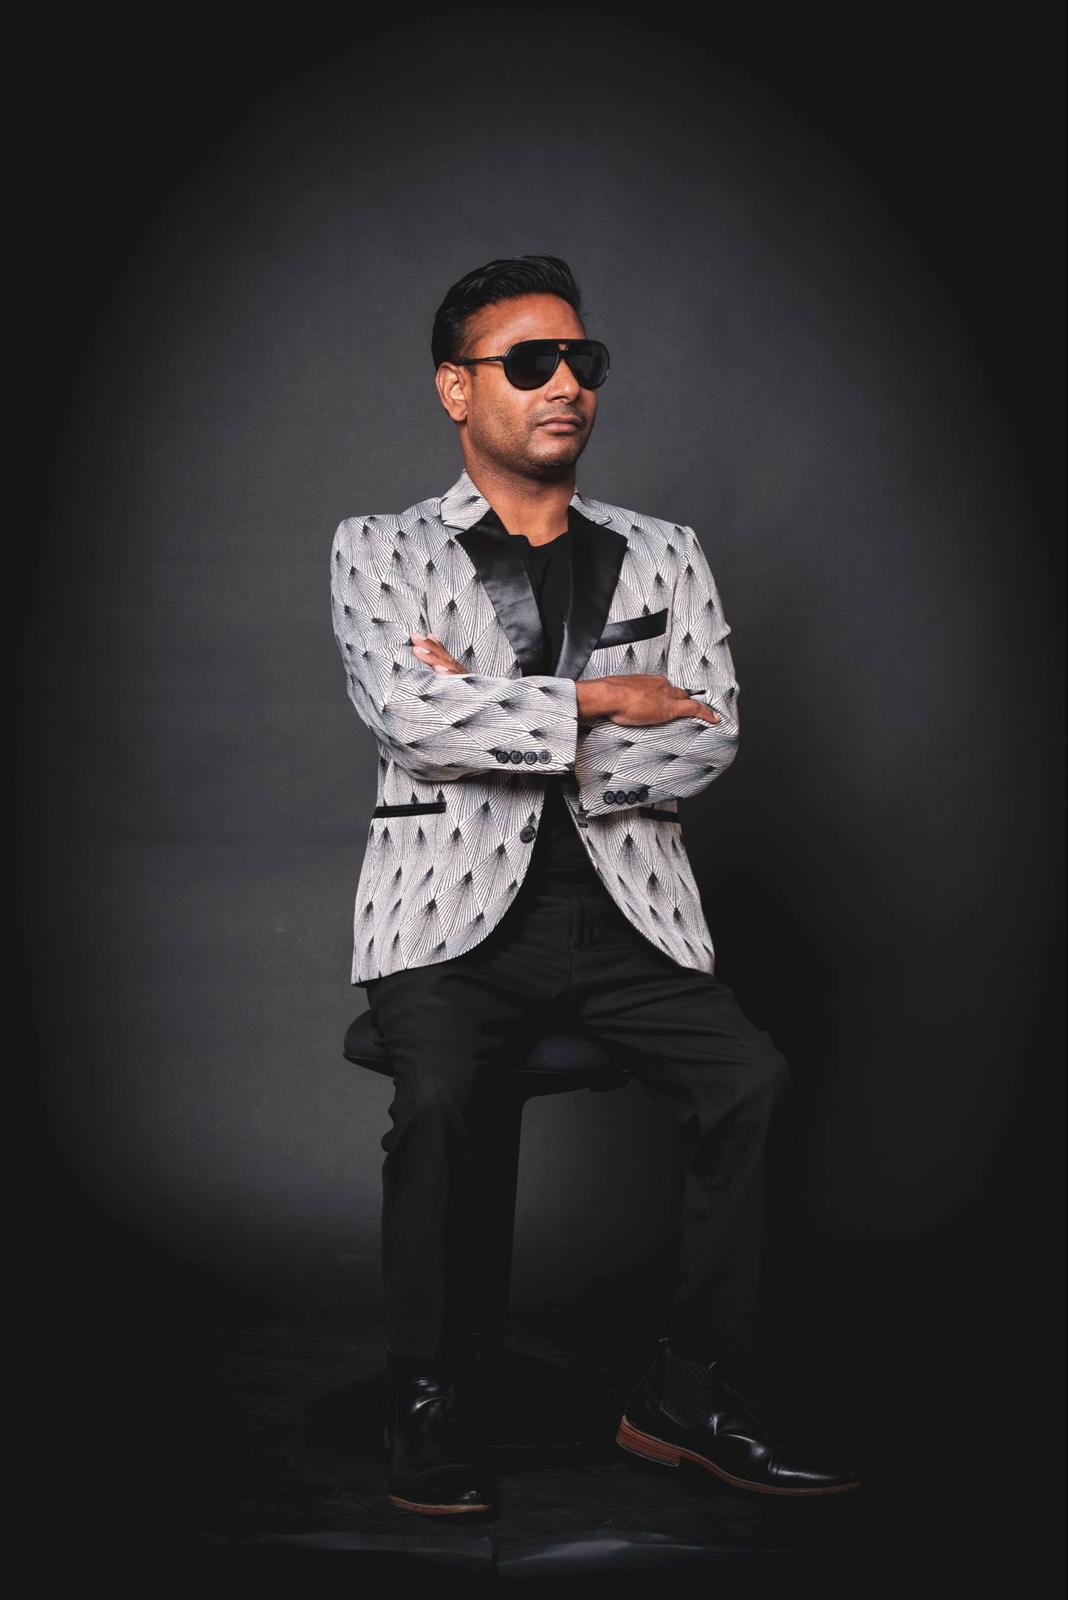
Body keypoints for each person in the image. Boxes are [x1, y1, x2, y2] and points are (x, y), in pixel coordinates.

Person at [329, 254, 861, 1514]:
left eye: (584, 360)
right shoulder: (379, 546)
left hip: (628, 911)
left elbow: (709, 736)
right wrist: (608, 696)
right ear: (457, 389)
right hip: (445, 920)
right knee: (440, 1098)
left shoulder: (666, 552)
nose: (566, 383)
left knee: (751, 1083)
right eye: (531, 362)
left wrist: (495, 707)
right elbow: (409, 718)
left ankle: (692, 1393)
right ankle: (425, 1396)